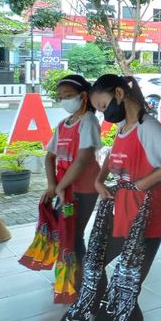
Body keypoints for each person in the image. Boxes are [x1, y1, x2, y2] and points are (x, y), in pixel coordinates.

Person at [84, 74, 161, 319]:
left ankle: (109, 312)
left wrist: (146, 182)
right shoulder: (124, 127)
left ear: (119, 94)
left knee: (128, 286)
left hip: (147, 216)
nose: (104, 114)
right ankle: (102, 307)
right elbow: (114, 154)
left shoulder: (147, 126)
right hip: (124, 213)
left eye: (103, 106)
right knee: (98, 264)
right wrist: (99, 180)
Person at [42, 74, 101, 291]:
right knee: (66, 231)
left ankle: (80, 279)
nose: (64, 100)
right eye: (60, 97)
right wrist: (52, 185)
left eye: (68, 95)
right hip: (63, 190)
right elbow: (49, 156)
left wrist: (60, 186)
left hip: (83, 189)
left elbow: (83, 158)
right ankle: (71, 274)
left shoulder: (88, 121)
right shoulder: (62, 125)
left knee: (75, 233)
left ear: (83, 95)